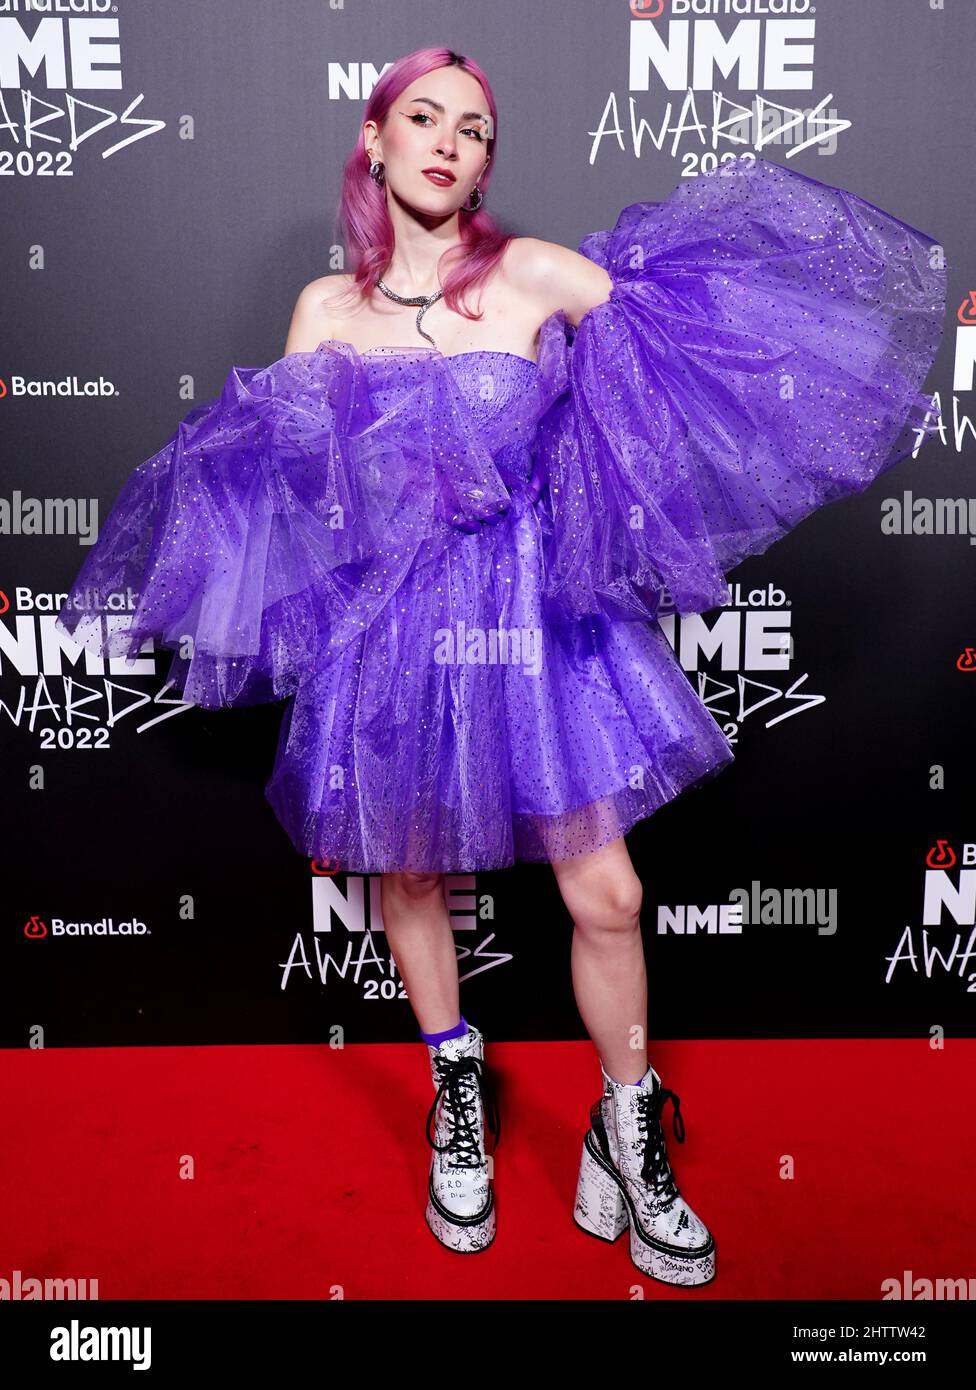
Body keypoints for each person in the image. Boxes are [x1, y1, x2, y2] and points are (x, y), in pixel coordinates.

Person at [55, 47, 947, 1287]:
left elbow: (689, 331)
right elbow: (292, 495)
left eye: (473, 129)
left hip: (533, 618)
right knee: (409, 874)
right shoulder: (325, 312)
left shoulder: (530, 275)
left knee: (608, 897)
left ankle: (624, 1127)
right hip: (393, 630)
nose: (448, 142)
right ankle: (455, 1086)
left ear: (485, 163)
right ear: (373, 140)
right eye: (422, 117)